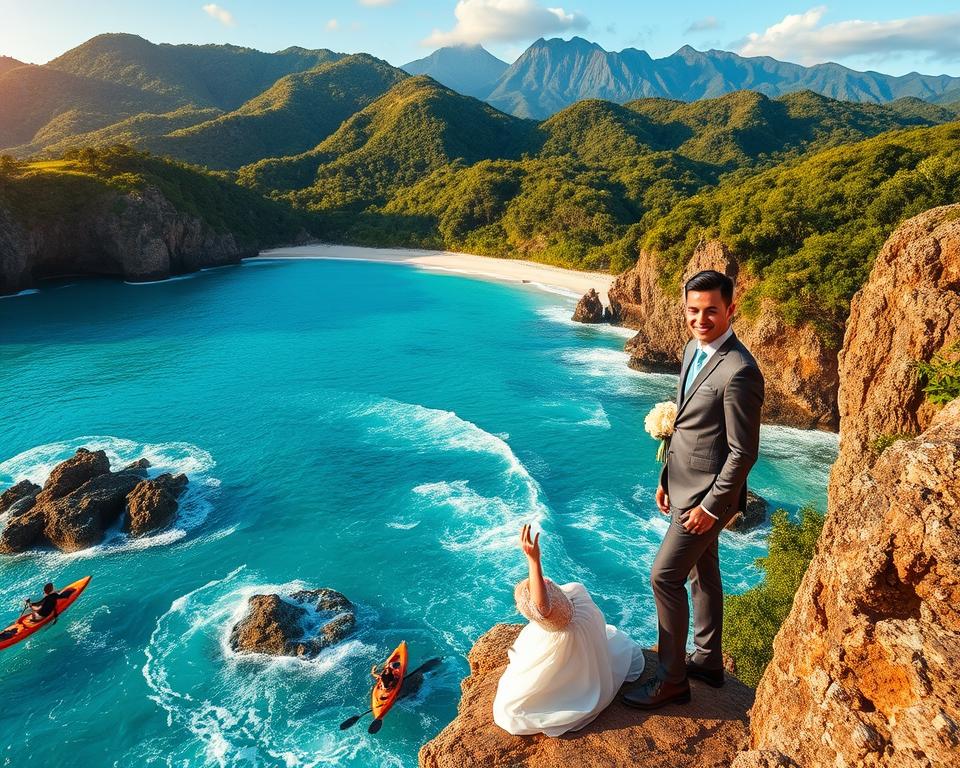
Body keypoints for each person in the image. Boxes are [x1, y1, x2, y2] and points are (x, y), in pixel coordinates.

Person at [622, 269, 764, 710]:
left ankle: (672, 681)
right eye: (693, 311)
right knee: (704, 574)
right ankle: (707, 660)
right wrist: (666, 477)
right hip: (683, 486)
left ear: (731, 309)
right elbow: (686, 425)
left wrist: (711, 507)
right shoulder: (692, 350)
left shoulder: (739, 371)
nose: (700, 320)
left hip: (708, 499)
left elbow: (743, 453)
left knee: (664, 576)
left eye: (711, 311)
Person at [492, 524, 645, 736]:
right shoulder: (563, 608)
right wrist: (534, 559)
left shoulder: (547, 610)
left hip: (573, 635)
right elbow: (543, 607)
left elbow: (542, 607)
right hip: (582, 629)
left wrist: (533, 560)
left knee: (513, 709)